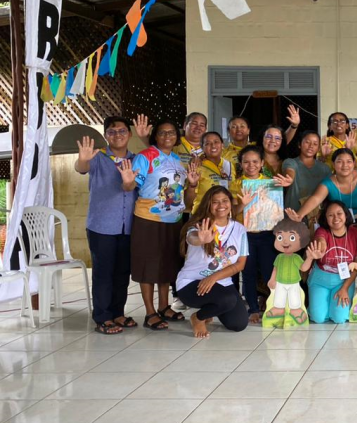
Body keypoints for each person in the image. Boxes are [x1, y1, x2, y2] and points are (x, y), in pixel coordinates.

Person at [124, 120, 199, 330]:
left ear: (177, 136)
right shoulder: (145, 157)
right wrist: (126, 181)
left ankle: (164, 306)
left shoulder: (177, 160)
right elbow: (130, 185)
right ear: (155, 136)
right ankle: (149, 313)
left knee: (166, 264)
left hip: (173, 220)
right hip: (148, 219)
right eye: (163, 133)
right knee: (147, 266)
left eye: (172, 133)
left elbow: (188, 199)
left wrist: (192, 184)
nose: (168, 136)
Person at [75, 116, 141, 334]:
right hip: (101, 225)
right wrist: (83, 159)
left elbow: (130, 188)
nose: (118, 135)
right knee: (103, 273)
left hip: (128, 226)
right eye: (112, 132)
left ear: (129, 134)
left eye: (122, 131)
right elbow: (81, 168)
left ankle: (118, 312)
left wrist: (128, 182)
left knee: (122, 272)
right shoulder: (98, 157)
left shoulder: (136, 160)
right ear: (105, 135)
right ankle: (102, 317)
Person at [177, 186, 249, 339]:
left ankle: (210, 308)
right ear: (208, 205)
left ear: (231, 203)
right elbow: (192, 238)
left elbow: (240, 264)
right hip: (191, 283)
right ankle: (198, 318)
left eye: (224, 201)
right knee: (227, 299)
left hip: (220, 283)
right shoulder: (199, 225)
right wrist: (201, 239)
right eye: (215, 202)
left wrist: (213, 278)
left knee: (238, 324)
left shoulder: (240, 229)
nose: (221, 205)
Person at [230, 145, 290, 323]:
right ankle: (253, 309)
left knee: (269, 271)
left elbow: (276, 206)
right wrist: (243, 204)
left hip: (267, 234)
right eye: (246, 162)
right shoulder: (236, 183)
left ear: (262, 163)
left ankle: (274, 305)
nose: (251, 165)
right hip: (244, 235)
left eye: (255, 161)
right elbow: (232, 212)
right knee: (247, 272)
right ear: (241, 164)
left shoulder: (270, 181)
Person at [306, 201, 357, 324]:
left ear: (346, 215)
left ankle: (333, 306)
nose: (336, 218)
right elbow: (320, 240)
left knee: (339, 318)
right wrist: (320, 247)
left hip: (343, 281)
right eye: (330, 215)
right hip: (321, 279)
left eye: (339, 213)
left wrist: (345, 288)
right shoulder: (322, 231)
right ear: (325, 218)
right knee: (318, 318)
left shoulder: (355, 233)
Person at [287, 148, 357, 225]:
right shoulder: (328, 182)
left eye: (349, 161)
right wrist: (299, 215)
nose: (345, 165)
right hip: (338, 223)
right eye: (339, 162)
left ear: (354, 163)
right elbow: (315, 198)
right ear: (333, 164)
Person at [282, 130, 331, 213]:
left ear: (318, 148)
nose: (311, 146)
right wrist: (289, 179)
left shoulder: (325, 168)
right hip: (292, 213)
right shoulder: (290, 162)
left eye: (315, 144)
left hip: (317, 217)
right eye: (307, 142)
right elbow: (290, 171)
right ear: (299, 144)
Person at [194, 132, 233, 214]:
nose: (213, 146)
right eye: (208, 143)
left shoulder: (230, 165)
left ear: (222, 145)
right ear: (202, 148)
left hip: (224, 214)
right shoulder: (197, 166)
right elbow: (189, 201)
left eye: (216, 142)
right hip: (203, 214)